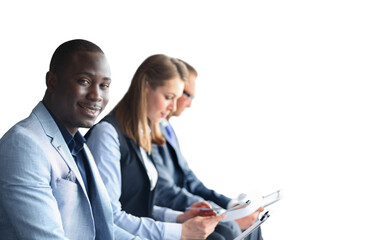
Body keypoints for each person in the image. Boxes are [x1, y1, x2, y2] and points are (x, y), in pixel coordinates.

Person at [0, 39, 140, 239]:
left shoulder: (78, 145)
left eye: (104, 85)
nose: (96, 95)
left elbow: (100, 227)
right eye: (84, 81)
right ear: (52, 81)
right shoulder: (24, 144)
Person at [86, 54, 228, 240]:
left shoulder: (140, 135)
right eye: (169, 97)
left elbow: (137, 204)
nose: (173, 107)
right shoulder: (107, 135)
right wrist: (178, 232)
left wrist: (178, 217)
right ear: (145, 86)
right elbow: (109, 217)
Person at [151, 60, 264, 240]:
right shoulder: (148, 131)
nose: (188, 104)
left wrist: (230, 204)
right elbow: (164, 191)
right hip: (174, 211)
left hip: (188, 206)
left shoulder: (166, 128)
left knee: (252, 224)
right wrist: (217, 212)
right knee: (229, 231)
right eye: (186, 95)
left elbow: (191, 180)